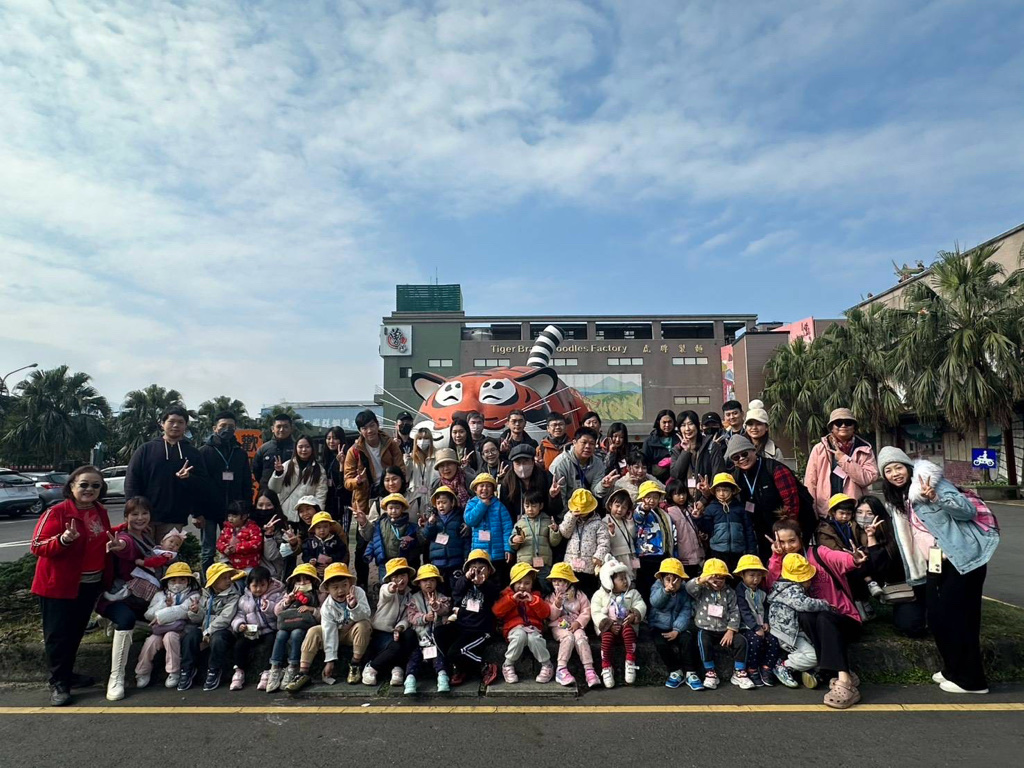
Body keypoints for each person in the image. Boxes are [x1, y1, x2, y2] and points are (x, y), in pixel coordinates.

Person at [877, 449, 998, 694]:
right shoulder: (900, 498)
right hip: (935, 563)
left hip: (961, 558)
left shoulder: (932, 483)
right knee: (937, 617)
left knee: (961, 619)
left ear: (908, 466)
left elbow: (967, 511)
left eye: (898, 467)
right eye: (888, 470)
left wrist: (936, 497)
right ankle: (952, 669)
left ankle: (972, 681)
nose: (894, 473)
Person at [31, 466, 120, 706]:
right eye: (84, 484)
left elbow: (103, 538)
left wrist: (119, 540)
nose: (89, 489)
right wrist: (63, 540)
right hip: (58, 586)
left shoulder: (100, 511)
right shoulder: (57, 512)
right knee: (58, 636)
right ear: (71, 486)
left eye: (96, 485)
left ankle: (67, 674)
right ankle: (59, 683)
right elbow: (37, 546)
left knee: (75, 633)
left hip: (90, 584)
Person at [765, 517, 863, 708]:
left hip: (844, 618)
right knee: (806, 615)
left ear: (800, 537)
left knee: (824, 616)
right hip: (818, 624)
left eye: (792, 540)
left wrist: (853, 559)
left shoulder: (818, 553)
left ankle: (844, 679)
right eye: (782, 542)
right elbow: (773, 586)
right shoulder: (784, 562)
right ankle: (830, 672)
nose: (787, 546)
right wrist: (776, 557)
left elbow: (838, 558)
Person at [125, 405, 212, 542]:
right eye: (171, 421)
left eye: (180, 422)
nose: (176, 425)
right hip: (145, 517)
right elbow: (132, 481)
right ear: (162, 423)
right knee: (142, 553)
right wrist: (133, 513)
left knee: (168, 554)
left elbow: (203, 485)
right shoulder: (145, 450)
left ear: (186, 425)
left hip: (175, 518)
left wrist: (189, 479)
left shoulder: (193, 453)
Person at [100, 497, 158, 701]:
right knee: (126, 620)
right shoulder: (125, 537)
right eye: (134, 514)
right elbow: (127, 548)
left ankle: (146, 671)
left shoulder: (146, 535)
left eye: (144, 513)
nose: (140, 518)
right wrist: (120, 545)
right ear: (126, 517)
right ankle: (116, 677)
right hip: (116, 598)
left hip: (141, 598)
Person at [288, 562, 372, 692]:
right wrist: (330, 660)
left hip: (351, 632)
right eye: (335, 587)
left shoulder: (358, 593)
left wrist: (353, 606)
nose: (341, 590)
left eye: (344, 585)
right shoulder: (327, 607)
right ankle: (303, 672)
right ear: (327, 589)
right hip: (335, 633)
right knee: (314, 631)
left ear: (350, 583)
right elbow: (329, 631)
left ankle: (355, 664)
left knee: (364, 625)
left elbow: (366, 614)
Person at [857, 491, 925, 636]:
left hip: (903, 586)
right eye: (859, 512)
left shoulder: (890, 533)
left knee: (911, 627)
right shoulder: (852, 532)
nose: (863, 517)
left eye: (869, 513)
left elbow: (883, 567)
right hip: (877, 585)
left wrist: (871, 538)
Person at [726, 434, 803, 562]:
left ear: (753, 451)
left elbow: (791, 503)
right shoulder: (737, 476)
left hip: (786, 530)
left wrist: (786, 534)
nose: (741, 459)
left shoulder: (775, 468)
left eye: (744, 454)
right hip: (762, 531)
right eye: (736, 457)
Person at [432, 550, 501, 687]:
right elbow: (456, 592)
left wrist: (482, 583)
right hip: (462, 626)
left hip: (481, 630)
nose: (477, 571)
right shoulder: (464, 583)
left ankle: (485, 666)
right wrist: (466, 578)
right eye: (473, 567)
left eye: (482, 568)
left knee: (455, 652)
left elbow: (493, 594)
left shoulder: (492, 584)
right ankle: (461, 667)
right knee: (439, 633)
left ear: (489, 570)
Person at [197, 411, 254, 572]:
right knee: (208, 551)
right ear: (214, 428)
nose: (227, 429)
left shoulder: (240, 453)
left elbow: (246, 482)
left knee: (232, 548)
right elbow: (197, 484)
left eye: (231, 426)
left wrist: (246, 507)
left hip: (233, 512)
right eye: (223, 426)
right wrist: (197, 512)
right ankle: (208, 581)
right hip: (209, 511)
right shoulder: (204, 452)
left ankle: (230, 581)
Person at [767, 553, 832, 691]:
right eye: (809, 579)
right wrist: (825, 604)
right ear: (802, 579)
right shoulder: (792, 590)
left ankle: (806, 669)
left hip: (792, 630)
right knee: (813, 656)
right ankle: (784, 666)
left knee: (815, 649)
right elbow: (804, 604)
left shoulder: (781, 586)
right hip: (786, 634)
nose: (811, 582)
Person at [686, 558, 752, 691]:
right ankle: (710, 672)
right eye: (714, 579)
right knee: (703, 641)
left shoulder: (730, 592)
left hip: (724, 629)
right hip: (706, 627)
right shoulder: (702, 590)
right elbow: (689, 588)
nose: (718, 583)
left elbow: (735, 611)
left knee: (741, 641)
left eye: (721, 579)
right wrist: (703, 579)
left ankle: (739, 672)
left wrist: (731, 630)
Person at [134, 562, 200, 691]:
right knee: (151, 641)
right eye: (173, 580)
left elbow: (184, 610)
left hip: (181, 630)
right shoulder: (160, 595)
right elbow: (148, 614)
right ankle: (142, 671)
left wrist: (161, 616)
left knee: (170, 637)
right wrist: (164, 605)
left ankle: (174, 671)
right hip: (160, 631)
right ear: (167, 581)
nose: (177, 583)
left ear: (188, 581)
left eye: (182, 579)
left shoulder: (194, 595)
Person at [181, 562, 245, 692]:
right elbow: (201, 617)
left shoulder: (233, 596)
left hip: (224, 630)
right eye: (224, 578)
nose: (228, 581)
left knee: (218, 639)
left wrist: (208, 632)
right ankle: (187, 669)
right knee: (190, 637)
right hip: (206, 628)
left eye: (229, 577)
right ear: (214, 581)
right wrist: (195, 611)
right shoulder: (206, 594)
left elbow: (225, 618)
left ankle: (214, 670)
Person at [804, 408, 879, 518]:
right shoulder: (819, 449)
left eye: (848, 422)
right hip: (826, 510)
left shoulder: (865, 449)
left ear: (854, 427)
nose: (843, 426)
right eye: (838, 423)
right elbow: (811, 482)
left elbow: (868, 478)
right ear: (831, 427)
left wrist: (843, 459)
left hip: (853, 510)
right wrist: (812, 510)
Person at [493, 563, 554, 684]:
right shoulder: (506, 595)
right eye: (519, 583)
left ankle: (547, 665)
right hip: (514, 628)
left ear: (532, 584)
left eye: (527, 583)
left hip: (533, 627)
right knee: (519, 636)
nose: (522, 586)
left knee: (534, 638)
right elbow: (497, 611)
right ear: (513, 583)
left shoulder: (536, 596)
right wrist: (511, 600)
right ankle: (508, 664)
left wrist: (534, 601)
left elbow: (545, 613)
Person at [591, 556, 645, 689]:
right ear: (609, 581)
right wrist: (608, 624)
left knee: (629, 632)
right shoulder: (599, 595)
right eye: (621, 579)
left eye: (625, 578)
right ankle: (606, 666)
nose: (625, 581)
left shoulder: (632, 593)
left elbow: (640, 604)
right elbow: (595, 612)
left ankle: (630, 661)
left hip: (626, 625)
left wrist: (634, 614)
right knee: (607, 639)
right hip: (609, 628)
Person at [362, 557, 418, 688]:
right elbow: (386, 593)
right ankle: (372, 667)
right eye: (395, 577)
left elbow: (407, 617)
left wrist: (399, 628)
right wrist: (391, 589)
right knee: (396, 646)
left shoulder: (410, 595)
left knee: (410, 635)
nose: (400, 580)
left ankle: (397, 668)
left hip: (397, 632)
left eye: (403, 575)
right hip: (381, 632)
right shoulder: (385, 589)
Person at [266, 563, 321, 692]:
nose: (302, 583)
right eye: (299, 580)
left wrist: (311, 609)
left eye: (306, 579)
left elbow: (323, 613)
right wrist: (287, 601)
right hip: (288, 623)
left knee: (297, 634)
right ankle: (275, 667)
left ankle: (293, 666)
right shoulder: (289, 594)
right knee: (280, 634)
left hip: (305, 625)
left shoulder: (318, 594)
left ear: (313, 580)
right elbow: (277, 612)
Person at [648, 557, 701, 691]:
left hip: (677, 627)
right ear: (661, 579)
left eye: (677, 579)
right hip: (659, 625)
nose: (672, 583)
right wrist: (666, 591)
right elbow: (655, 603)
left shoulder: (684, 591)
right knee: (661, 644)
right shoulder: (657, 587)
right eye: (668, 579)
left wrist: (677, 629)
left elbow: (685, 611)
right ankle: (675, 670)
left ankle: (690, 672)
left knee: (687, 639)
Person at [229, 565, 285, 691]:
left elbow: (280, 612)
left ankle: (266, 672)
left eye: (262, 585)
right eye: (255, 586)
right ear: (249, 585)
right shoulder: (244, 599)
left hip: (270, 630)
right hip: (251, 631)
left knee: (270, 643)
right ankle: (239, 671)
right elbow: (239, 614)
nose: (258, 589)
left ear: (269, 583)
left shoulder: (276, 595)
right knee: (240, 645)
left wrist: (269, 607)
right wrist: (240, 624)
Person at [545, 563, 599, 688]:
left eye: (561, 581)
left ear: (568, 582)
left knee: (581, 638)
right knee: (568, 637)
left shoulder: (579, 595)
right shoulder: (550, 597)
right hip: (558, 625)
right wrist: (557, 605)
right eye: (554, 581)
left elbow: (586, 610)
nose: (557, 584)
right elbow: (551, 616)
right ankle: (561, 669)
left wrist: (578, 622)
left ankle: (589, 670)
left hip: (576, 624)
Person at [403, 564, 453, 694]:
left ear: (437, 582)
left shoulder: (442, 597)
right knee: (414, 658)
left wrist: (436, 607)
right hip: (420, 638)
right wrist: (424, 618)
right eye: (425, 580)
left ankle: (442, 678)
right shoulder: (414, 598)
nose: (428, 583)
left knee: (439, 658)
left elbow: (446, 610)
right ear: (419, 583)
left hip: (435, 640)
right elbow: (411, 617)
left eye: (432, 580)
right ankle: (410, 680)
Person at [733, 554, 781, 688]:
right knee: (755, 641)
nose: (755, 579)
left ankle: (767, 668)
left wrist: (765, 622)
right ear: (742, 575)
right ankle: (752, 669)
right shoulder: (740, 591)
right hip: (746, 627)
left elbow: (765, 607)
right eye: (751, 575)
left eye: (759, 575)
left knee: (773, 640)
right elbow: (744, 612)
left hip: (761, 625)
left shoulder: (761, 591)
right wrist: (755, 628)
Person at [344, 409, 404, 514]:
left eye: (372, 426)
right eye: (364, 428)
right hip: (366, 500)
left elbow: (401, 469)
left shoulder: (390, 444)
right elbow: (347, 482)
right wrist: (357, 481)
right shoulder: (354, 451)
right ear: (359, 431)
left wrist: (396, 483)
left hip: (390, 493)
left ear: (377, 425)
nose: (369, 431)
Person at [549, 427, 617, 512]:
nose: (588, 446)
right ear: (574, 442)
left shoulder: (598, 463)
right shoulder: (560, 464)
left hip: (588, 511)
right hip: (567, 512)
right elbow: (560, 497)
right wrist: (569, 517)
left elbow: (595, 491)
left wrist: (603, 485)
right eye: (584, 442)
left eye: (591, 443)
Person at [700, 473, 756, 573]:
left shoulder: (740, 508)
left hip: (738, 551)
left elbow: (748, 530)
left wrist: (751, 550)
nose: (721, 494)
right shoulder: (711, 508)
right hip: (717, 551)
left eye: (725, 490)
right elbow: (706, 528)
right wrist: (698, 518)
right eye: (718, 490)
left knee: (737, 576)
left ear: (733, 491)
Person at [559, 488, 610, 596]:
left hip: (589, 566)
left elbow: (604, 542)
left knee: (587, 594)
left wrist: (598, 556)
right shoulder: (570, 518)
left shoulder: (598, 524)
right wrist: (572, 518)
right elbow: (564, 533)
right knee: (569, 594)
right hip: (570, 565)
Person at [463, 473, 514, 581]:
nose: (485, 489)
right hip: (479, 555)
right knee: (480, 580)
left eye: (488, 486)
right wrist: (482, 505)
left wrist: (508, 549)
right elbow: (470, 520)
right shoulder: (472, 503)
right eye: (481, 486)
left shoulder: (499, 506)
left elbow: (507, 528)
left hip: (497, 554)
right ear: (475, 489)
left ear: (493, 489)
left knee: (498, 581)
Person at [510, 489, 562, 590]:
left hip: (543, 564)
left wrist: (555, 531)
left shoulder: (547, 521)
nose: (530, 509)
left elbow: (554, 543)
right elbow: (514, 546)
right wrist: (514, 540)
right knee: (525, 587)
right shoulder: (520, 523)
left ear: (541, 506)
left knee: (545, 588)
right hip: (525, 564)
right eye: (527, 506)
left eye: (534, 506)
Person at [268, 435, 328, 521]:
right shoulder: (286, 466)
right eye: (300, 447)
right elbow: (274, 489)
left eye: (307, 447)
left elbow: (321, 495)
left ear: (312, 448)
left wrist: (318, 516)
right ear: (295, 448)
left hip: (307, 517)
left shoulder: (319, 470)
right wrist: (278, 473)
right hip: (285, 514)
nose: (304, 450)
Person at [420, 486, 471, 587]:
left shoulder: (460, 518)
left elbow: (465, 540)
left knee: (456, 587)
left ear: (452, 503)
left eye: (444, 502)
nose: (441, 506)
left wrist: (466, 557)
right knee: (441, 589)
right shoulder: (433, 518)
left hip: (456, 561)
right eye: (438, 503)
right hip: (437, 562)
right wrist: (430, 524)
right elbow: (426, 536)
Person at [632, 481, 675, 597]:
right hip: (647, 555)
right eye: (648, 497)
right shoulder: (640, 510)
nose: (652, 500)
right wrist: (644, 508)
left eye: (655, 497)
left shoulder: (662, 513)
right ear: (642, 498)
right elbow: (638, 517)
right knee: (645, 586)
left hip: (662, 554)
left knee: (658, 585)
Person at [364, 493, 420, 582]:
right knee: (385, 583)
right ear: (386, 509)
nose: (394, 511)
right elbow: (375, 540)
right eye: (391, 508)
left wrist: (408, 543)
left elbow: (415, 542)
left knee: (400, 582)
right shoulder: (380, 523)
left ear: (402, 509)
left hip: (401, 562)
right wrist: (368, 553)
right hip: (384, 561)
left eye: (397, 508)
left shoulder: (409, 526)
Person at [500, 443, 562, 522]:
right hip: (518, 525)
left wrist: (553, 497)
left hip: (543, 524)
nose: (522, 467)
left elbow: (556, 511)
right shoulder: (507, 482)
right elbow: (506, 512)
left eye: (525, 462)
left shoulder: (546, 477)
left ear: (533, 462)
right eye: (518, 463)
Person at [663, 479, 705, 572]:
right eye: (677, 494)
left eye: (684, 493)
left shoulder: (690, 509)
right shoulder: (669, 512)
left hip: (696, 554)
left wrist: (697, 518)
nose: (682, 497)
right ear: (670, 495)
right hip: (681, 556)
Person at [215, 501, 264, 572]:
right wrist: (225, 548)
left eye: (234, 516)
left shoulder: (253, 528)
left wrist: (237, 547)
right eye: (229, 516)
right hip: (230, 564)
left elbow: (256, 544)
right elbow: (219, 542)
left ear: (244, 517)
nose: (230, 519)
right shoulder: (227, 528)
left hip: (248, 565)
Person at [252, 413, 296, 489]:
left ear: (291, 429)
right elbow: (257, 471)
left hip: (291, 491)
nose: (282, 430)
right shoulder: (263, 449)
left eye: (285, 427)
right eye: (278, 427)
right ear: (272, 429)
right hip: (267, 491)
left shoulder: (297, 449)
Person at [322, 426, 351, 535]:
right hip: (329, 503)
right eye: (328, 438)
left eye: (335, 438)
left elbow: (343, 484)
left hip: (342, 503)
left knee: (342, 534)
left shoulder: (348, 456)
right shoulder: (327, 457)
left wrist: (341, 465)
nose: (331, 441)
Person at [303, 511, 349, 580]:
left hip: (333, 570)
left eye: (325, 527)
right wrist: (310, 560)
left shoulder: (336, 540)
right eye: (318, 527)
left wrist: (332, 559)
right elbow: (306, 554)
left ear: (330, 527)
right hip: (315, 570)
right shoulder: (309, 542)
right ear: (314, 529)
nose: (322, 530)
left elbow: (342, 552)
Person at [405, 426, 437, 521]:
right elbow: (406, 478)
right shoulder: (411, 458)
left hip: (431, 497)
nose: (422, 441)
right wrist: (407, 462)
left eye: (426, 438)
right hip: (414, 498)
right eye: (419, 438)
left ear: (431, 440)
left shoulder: (437, 456)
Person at [604, 488, 637, 581]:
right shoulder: (605, 521)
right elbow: (606, 542)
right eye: (617, 506)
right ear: (610, 505)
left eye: (624, 507)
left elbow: (633, 535)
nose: (620, 510)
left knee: (632, 579)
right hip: (617, 556)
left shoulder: (626, 520)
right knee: (621, 579)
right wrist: (611, 532)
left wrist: (630, 521)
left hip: (630, 554)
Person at [643, 409, 679, 482]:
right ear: (658, 422)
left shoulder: (680, 438)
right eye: (664, 422)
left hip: (676, 479)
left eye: (670, 422)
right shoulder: (649, 441)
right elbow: (645, 463)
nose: (667, 425)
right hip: (656, 480)